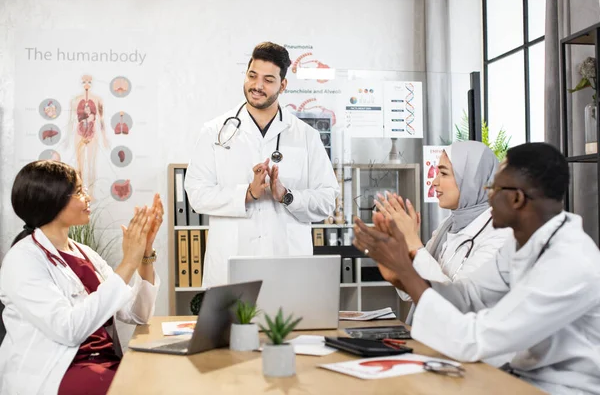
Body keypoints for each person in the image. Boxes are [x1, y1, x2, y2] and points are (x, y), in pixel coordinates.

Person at [353, 143, 600, 394]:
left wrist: (407, 268)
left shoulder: (569, 263)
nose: (488, 196)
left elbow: (472, 339)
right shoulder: (520, 244)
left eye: (493, 188)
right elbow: (466, 296)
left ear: (516, 198)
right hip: (515, 376)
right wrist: (401, 275)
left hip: (558, 389)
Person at [0, 160, 163, 394]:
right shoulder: (22, 260)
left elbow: (137, 314)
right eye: (79, 191)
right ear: (53, 200)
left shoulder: (84, 253)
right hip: (60, 370)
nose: (89, 198)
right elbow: (69, 330)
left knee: (162, 375)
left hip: (103, 361)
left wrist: (145, 252)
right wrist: (128, 262)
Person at [185, 41, 339, 287]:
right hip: (230, 266)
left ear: (283, 84)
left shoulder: (306, 136)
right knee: (231, 326)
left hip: (287, 267)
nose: (257, 86)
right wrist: (246, 193)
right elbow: (196, 194)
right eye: (252, 76)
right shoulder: (214, 131)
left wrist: (287, 196)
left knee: (289, 325)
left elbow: (327, 200)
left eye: (268, 80)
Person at [376, 141, 512, 293]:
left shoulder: (501, 235)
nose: (434, 182)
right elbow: (410, 290)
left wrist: (412, 241)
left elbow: (460, 301)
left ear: (472, 180)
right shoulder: (448, 225)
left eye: (444, 173)